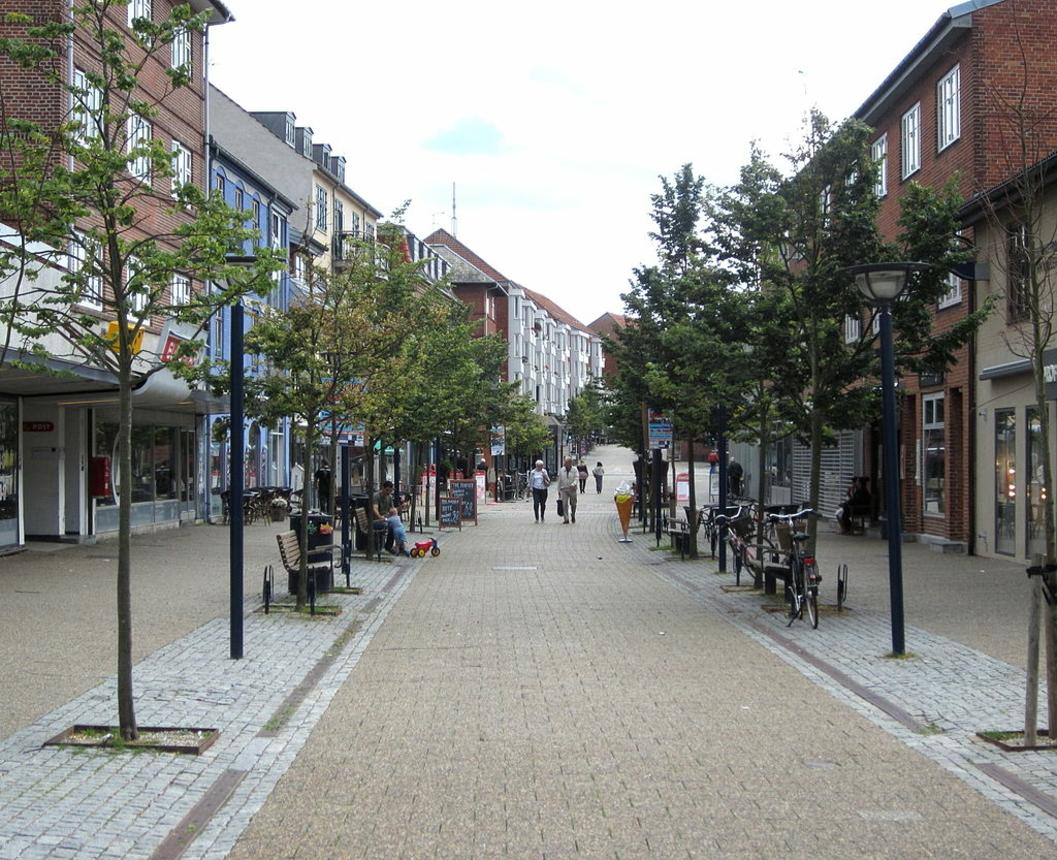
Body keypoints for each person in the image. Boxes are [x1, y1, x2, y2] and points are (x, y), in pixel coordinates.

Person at [372, 480, 396, 552]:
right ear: (383, 488)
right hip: (375, 520)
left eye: (390, 491)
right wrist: (380, 517)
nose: (388, 492)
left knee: (396, 524)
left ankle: (393, 546)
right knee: (389, 525)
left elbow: (392, 508)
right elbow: (375, 509)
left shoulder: (390, 497)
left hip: (385, 519)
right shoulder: (376, 496)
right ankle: (386, 546)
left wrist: (393, 511)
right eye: (387, 490)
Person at [557, 456, 579, 524]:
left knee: (573, 504)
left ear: (570, 463)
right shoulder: (562, 470)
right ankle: (566, 519)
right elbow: (559, 480)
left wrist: (574, 484)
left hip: (572, 489)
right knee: (564, 504)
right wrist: (559, 490)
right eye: (565, 462)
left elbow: (576, 478)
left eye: (566, 462)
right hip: (564, 489)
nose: (565, 463)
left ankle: (573, 514)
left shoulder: (574, 469)